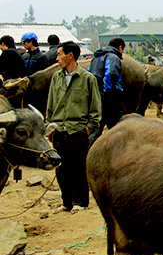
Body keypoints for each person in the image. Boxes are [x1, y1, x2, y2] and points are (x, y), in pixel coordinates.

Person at [46, 41, 101, 213]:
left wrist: (89, 126)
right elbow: (51, 103)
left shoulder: (87, 79)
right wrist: (49, 126)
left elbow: (95, 107)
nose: (57, 58)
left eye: (60, 54)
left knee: (78, 168)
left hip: (77, 130)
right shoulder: (56, 77)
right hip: (59, 130)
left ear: (70, 55)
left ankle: (80, 202)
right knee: (61, 169)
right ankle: (66, 202)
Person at [88, 37, 125, 144]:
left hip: (96, 95)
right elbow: (110, 74)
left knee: (97, 126)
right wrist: (109, 93)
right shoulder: (113, 57)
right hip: (109, 97)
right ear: (120, 47)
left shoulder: (96, 58)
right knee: (116, 127)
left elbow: (89, 73)